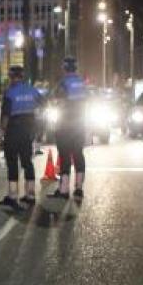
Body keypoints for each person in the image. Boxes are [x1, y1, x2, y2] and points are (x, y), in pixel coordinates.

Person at [0, 64, 44, 207]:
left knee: (12, 162)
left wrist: (1, 135)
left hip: (13, 129)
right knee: (27, 161)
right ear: (22, 76)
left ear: (11, 77)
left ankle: (13, 196)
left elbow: (5, 115)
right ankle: (30, 195)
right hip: (28, 130)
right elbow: (43, 103)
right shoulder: (32, 90)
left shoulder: (10, 92)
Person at [50, 57, 88, 200]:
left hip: (65, 125)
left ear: (64, 68)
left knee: (64, 155)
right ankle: (79, 188)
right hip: (80, 124)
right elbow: (87, 101)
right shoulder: (82, 83)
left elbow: (57, 101)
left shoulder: (63, 83)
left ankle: (64, 189)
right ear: (76, 67)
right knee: (78, 154)